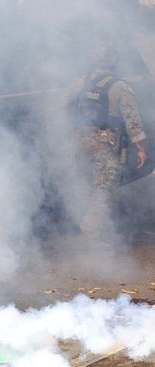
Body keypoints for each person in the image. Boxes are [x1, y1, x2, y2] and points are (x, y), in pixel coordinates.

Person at [67, 45, 147, 242]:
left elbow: (63, 106)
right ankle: (90, 233)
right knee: (103, 191)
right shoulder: (120, 87)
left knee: (85, 185)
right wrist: (140, 147)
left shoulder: (79, 83)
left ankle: (86, 225)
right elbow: (132, 119)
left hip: (80, 141)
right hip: (106, 145)